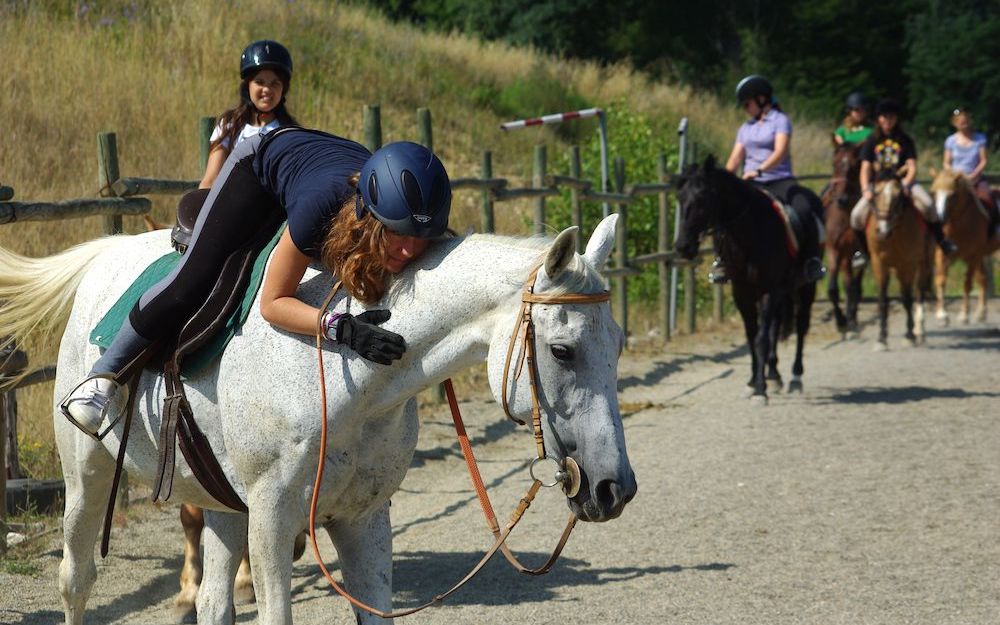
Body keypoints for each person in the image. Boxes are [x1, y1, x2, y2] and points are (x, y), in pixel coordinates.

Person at [60, 128, 452, 436]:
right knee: (192, 281)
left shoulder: (411, 221)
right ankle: (102, 375)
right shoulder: (318, 207)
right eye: (398, 236)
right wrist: (340, 328)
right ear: (367, 215)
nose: (408, 251)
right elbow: (273, 304)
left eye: (420, 240)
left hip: (322, 159)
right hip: (261, 164)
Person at [713, 74, 826, 284]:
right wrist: (724, 180)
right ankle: (722, 262)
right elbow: (736, 158)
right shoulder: (745, 129)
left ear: (761, 99)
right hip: (751, 183)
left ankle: (811, 261)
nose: (745, 108)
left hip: (779, 180)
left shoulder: (780, 121)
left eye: (747, 103)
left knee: (803, 209)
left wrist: (759, 170)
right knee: (724, 213)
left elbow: (781, 151)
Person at [849, 98, 957, 268]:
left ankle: (942, 241)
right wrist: (865, 188)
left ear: (896, 118)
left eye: (891, 116)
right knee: (855, 216)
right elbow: (865, 168)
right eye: (884, 116)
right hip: (878, 186)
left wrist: (906, 183)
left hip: (904, 183)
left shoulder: (905, 140)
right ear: (878, 118)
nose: (887, 120)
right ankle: (863, 252)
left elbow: (912, 166)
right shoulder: (871, 140)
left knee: (929, 205)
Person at [943, 108, 998, 238]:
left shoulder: (980, 138)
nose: (964, 125)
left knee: (988, 199)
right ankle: (940, 233)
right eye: (961, 122)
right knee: (942, 200)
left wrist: (974, 174)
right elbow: (946, 163)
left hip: (976, 178)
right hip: (956, 179)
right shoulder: (950, 140)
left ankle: (991, 230)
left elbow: (983, 160)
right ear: (955, 123)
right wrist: (955, 174)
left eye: (966, 122)